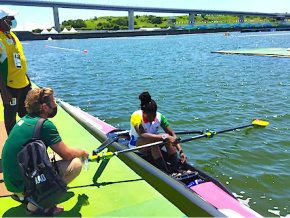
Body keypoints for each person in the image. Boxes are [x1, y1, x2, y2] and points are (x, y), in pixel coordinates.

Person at [1, 87, 89, 216]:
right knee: (75, 164)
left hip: (12, 181)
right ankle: (39, 205)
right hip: (20, 183)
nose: (55, 104)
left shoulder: (24, 120)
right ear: (44, 107)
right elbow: (67, 154)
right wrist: (82, 152)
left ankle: (24, 195)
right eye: (53, 101)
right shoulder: (45, 125)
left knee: (54, 155)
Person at [129, 92, 187, 173]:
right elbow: (142, 135)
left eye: (154, 115)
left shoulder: (160, 117)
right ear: (143, 113)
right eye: (149, 116)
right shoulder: (136, 116)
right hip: (137, 146)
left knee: (166, 138)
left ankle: (177, 167)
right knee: (159, 139)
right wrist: (166, 137)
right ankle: (164, 171)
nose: (152, 118)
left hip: (153, 144)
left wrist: (180, 151)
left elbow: (172, 135)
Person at [0, 6, 31, 135]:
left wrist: (27, 77)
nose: (13, 20)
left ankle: (29, 141)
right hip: (10, 87)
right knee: (11, 116)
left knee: (27, 113)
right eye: (10, 18)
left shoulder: (12, 35)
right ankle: (13, 146)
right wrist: (4, 90)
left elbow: (18, 57)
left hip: (23, 84)